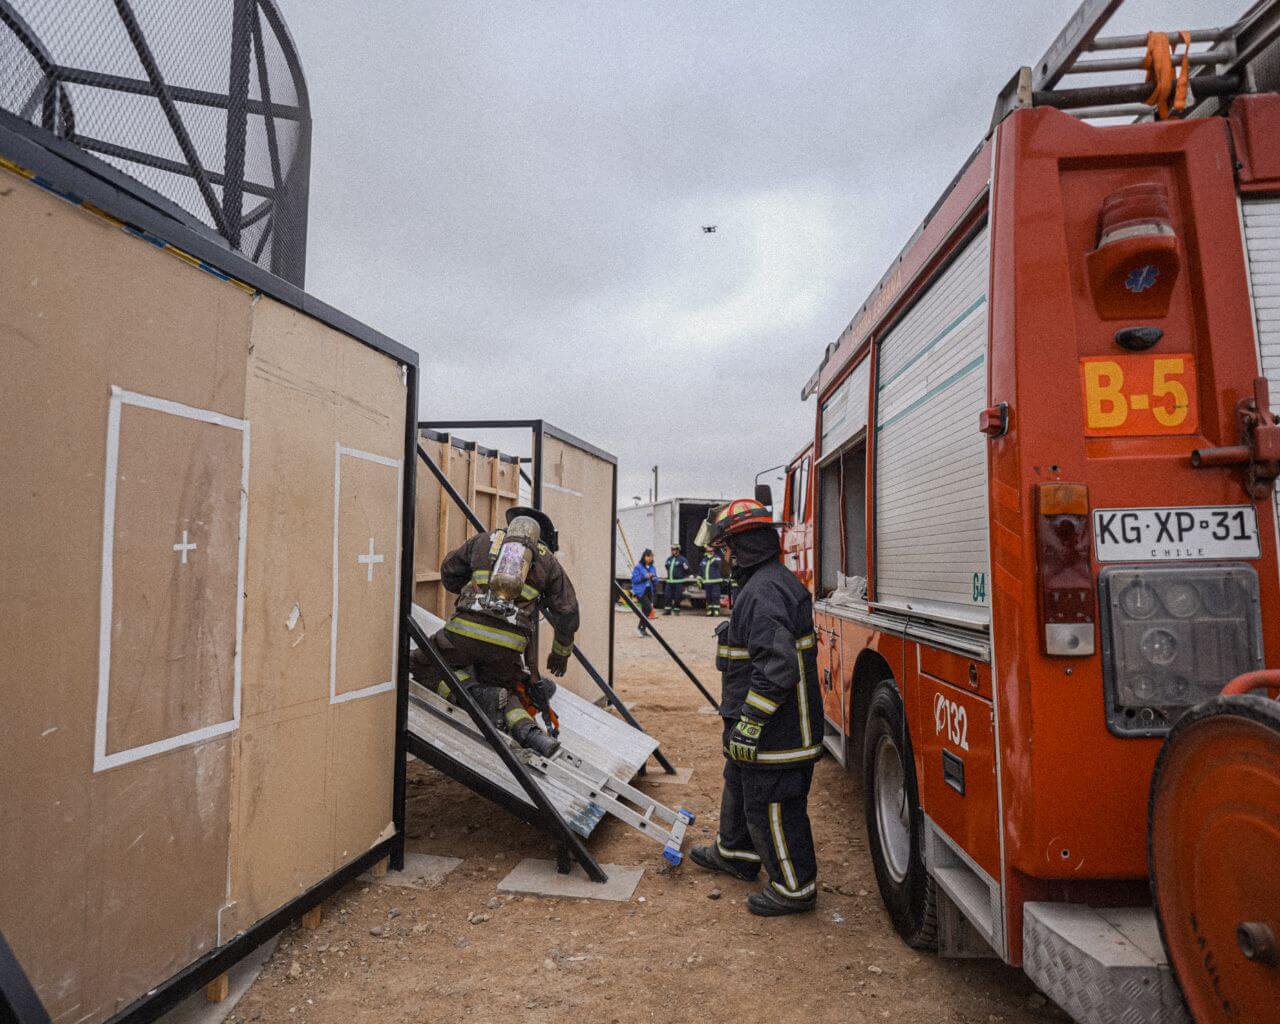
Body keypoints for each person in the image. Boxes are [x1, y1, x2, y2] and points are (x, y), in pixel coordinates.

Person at [689, 498, 822, 916]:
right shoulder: (761, 583)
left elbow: (779, 666)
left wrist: (750, 723)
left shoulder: (763, 592)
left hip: (778, 734)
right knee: (739, 783)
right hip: (761, 729)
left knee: (773, 806)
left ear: (739, 548)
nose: (720, 557)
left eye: (723, 548)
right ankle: (736, 853)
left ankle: (794, 889)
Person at [410, 506, 578, 757]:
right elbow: (568, 612)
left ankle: (475, 695)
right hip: (506, 647)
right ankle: (529, 732)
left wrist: (471, 593)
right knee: (507, 690)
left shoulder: (483, 540)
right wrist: (560, 654)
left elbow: (449, 574)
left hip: (461, 635)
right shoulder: (547, 560)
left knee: (420, 664)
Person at [630, 549, 658, 636]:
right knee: (648, 608)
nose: (650, 558)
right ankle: (639, 628)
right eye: (648, 556)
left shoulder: (652, 568)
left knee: (645, 610)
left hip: (649, 590)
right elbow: (634, 579)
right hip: (640, 591)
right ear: (644, 557)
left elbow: (656, 580)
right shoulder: (638, 567)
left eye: (651, 556)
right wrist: (644, 577)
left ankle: (643, 629)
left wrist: (654, 578)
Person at [662, 544, 693, 615]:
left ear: (678, 550)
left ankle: (676, 610)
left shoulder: (682, 560)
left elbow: (687, 570)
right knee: (667, 596)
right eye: (672, 549)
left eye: (674, 549)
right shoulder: (669, 559)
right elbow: (667, 567)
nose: (673, 551)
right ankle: (667, 610)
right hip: (669, 581)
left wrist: (682, 574)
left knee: (677, 597)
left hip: (678, 582)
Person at [699, 548, 725, 616]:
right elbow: (701, 570)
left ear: (713, 552)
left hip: (715, 582)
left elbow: (718, 564)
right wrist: (699, 579)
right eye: (708, 551)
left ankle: (716, 611)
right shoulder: (704, 560)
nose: (709, 553)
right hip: (707, 582)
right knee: (708, 597)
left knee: (715, 596)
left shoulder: (717, 558)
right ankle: (709, 610)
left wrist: (712, 557)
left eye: (710, 551)